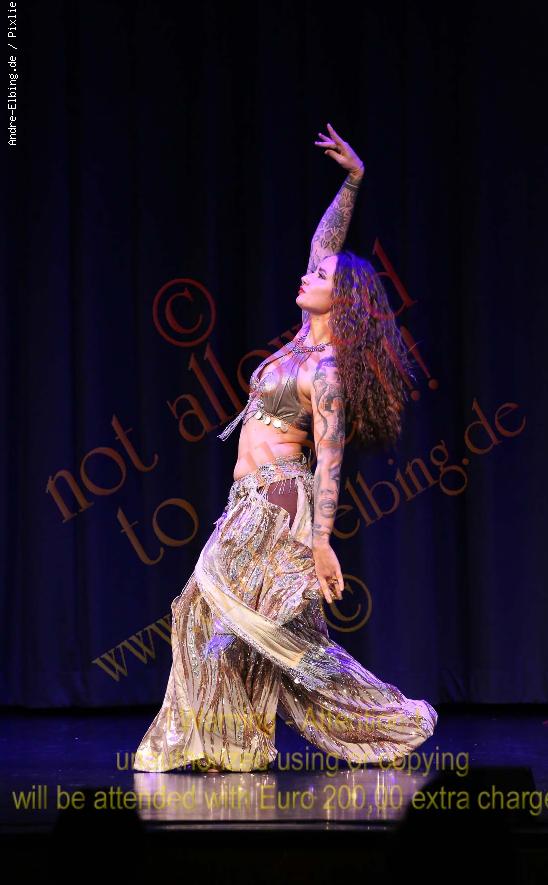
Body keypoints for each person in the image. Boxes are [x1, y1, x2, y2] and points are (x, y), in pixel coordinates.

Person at [133, 123, 438, 773]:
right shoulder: (301, 341)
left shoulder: (324, 370)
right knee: (262, 633)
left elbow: (330, 460)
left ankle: (254, 740)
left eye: (319, 274)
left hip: (277, 504)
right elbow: (325, 242)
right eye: (312, 268)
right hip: (249, 500)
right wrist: (352, 182)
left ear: (341, 297)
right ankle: (247, 743)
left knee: (208, 612)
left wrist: (322, 541)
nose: (308, 270)